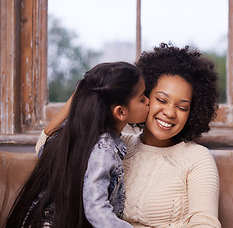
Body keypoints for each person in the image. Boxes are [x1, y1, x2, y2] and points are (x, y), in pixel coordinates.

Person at [34, 43, 222, 227]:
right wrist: (83, 93)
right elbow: (46, 145)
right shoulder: (113, 146)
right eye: (161, 100)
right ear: (142, 98)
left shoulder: (197, 158)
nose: (170, 113)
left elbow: (206, 224)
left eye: (182, 107)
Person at [6, 62, 149, 227]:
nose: (148, 102)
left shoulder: (75, 135)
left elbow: (42, 146)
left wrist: (83, 93)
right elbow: (96, 210)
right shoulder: (103, 150)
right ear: (121, 112)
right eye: (142, 98)